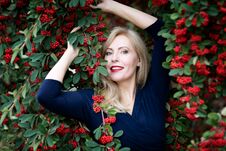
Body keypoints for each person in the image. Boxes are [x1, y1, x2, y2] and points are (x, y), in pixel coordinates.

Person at [37, 0, 170, 150]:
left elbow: (162, 32)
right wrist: (71, 52)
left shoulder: (154, 90)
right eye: (109, 53)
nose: (114, 58)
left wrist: (112, 6)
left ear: (139, 59)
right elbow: (47, 95)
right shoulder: (94, 103)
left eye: (124, 51)